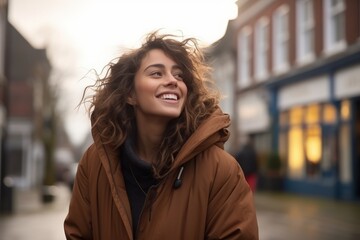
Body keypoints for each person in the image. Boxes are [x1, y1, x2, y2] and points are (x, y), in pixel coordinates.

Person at [64, 31, 259, 240]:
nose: (172, 81)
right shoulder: (94, 164)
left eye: (179, 75)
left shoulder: (221, 170)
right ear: (130, 94)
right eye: (157, 73)